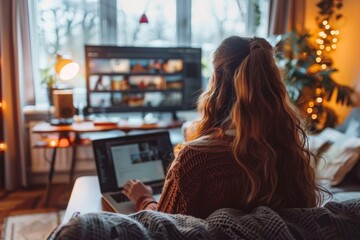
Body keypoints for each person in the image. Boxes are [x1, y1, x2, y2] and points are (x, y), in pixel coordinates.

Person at [122, 36, 327, 219]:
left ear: (216, 82)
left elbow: (163, 229)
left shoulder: (196, 159)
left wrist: (144, 199)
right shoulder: (290, 152)